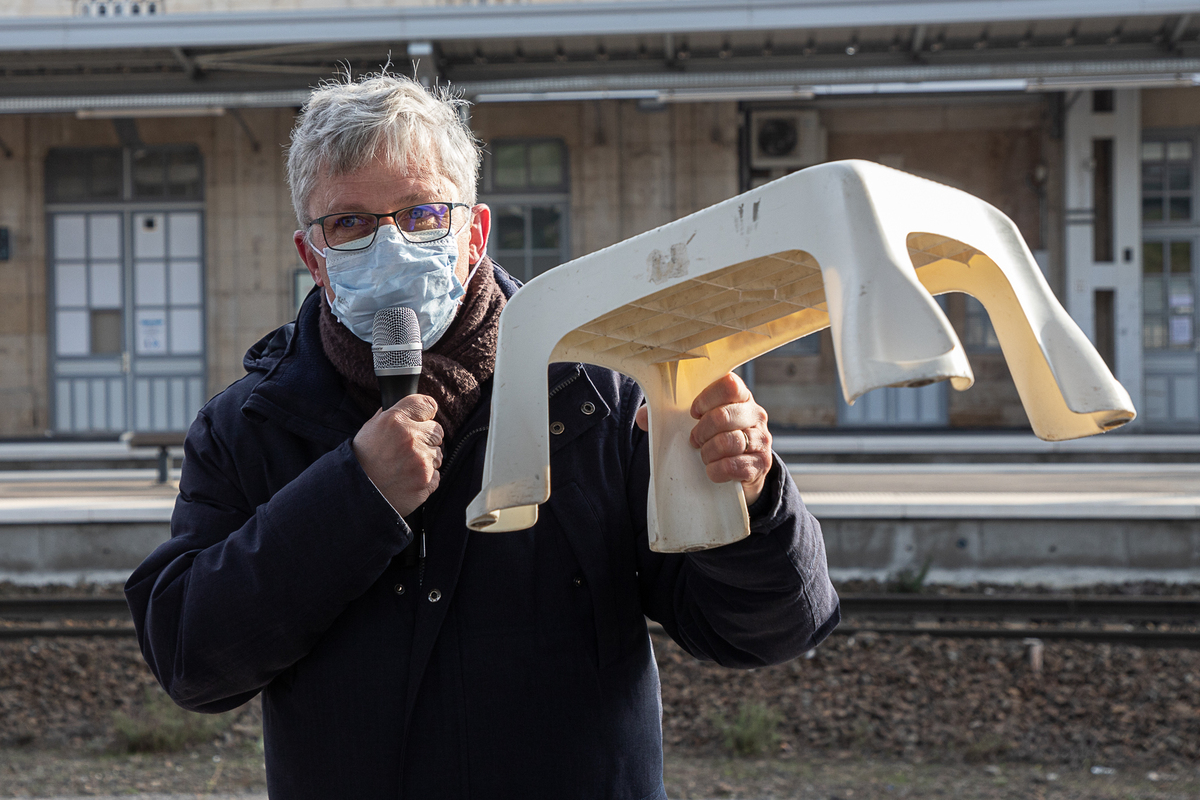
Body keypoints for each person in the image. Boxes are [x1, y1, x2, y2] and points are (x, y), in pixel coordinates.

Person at [126, 72, 839, 800]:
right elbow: (192, 660)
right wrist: (353, 495)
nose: (392, 245)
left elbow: (767, 632)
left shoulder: (600, 392)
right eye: (350, 223)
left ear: (474, 232)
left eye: (422, 212)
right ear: (314, 259)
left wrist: (748, 496)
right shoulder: (250, 425)